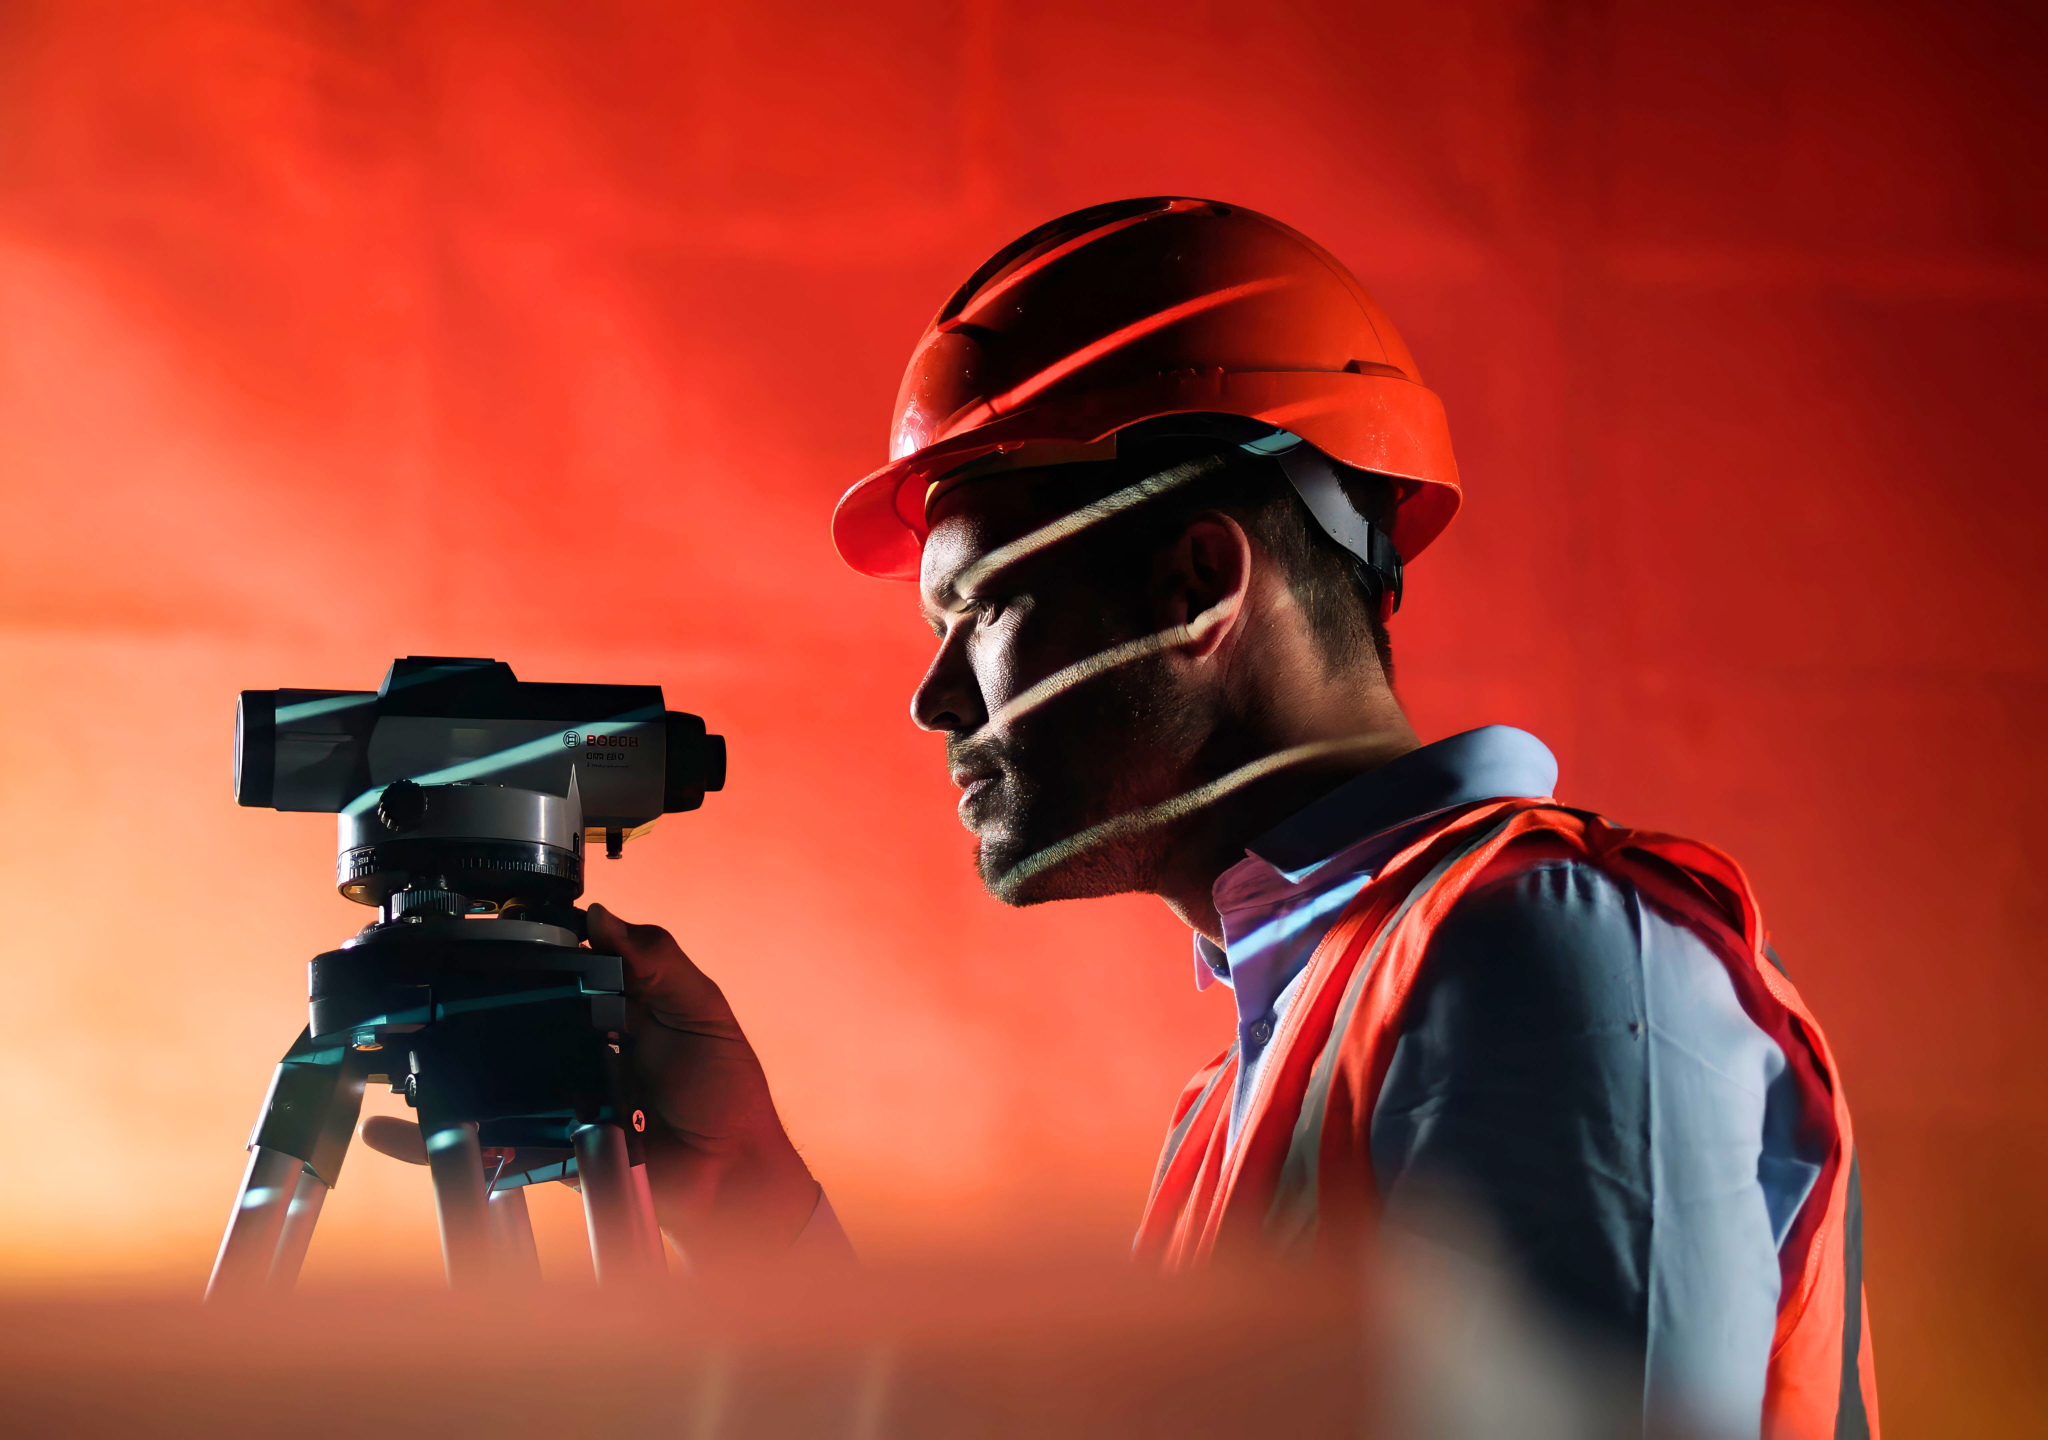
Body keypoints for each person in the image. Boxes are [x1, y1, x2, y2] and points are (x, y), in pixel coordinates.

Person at [363, 198, 1875, 1440]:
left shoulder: (1546, 964)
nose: (937, 702)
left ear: (1198, 589)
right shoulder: (1281, 1060)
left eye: (986, 610)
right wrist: (749, 1188)